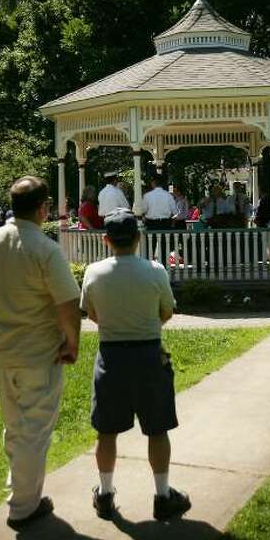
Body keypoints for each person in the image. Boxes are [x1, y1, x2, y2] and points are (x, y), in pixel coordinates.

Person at [0, 176, 81, 530]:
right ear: (43, 208)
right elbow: (67, 302)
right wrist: (72, 341)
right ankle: (24, 506)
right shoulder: (44, 249)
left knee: (15, 425)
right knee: (34, 429)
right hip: (38, 353)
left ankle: (18, 485)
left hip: (2, 352)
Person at [81, 209, 190, 521]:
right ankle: (162, 495)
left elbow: (91, 313)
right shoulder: (155, 271)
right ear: (138, 239)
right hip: (148, 354)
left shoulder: (93, 273)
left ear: (106, 240)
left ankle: (104, 493)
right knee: (157, 429)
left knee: (107, 431)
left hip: (111, 356)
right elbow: (167, 311)